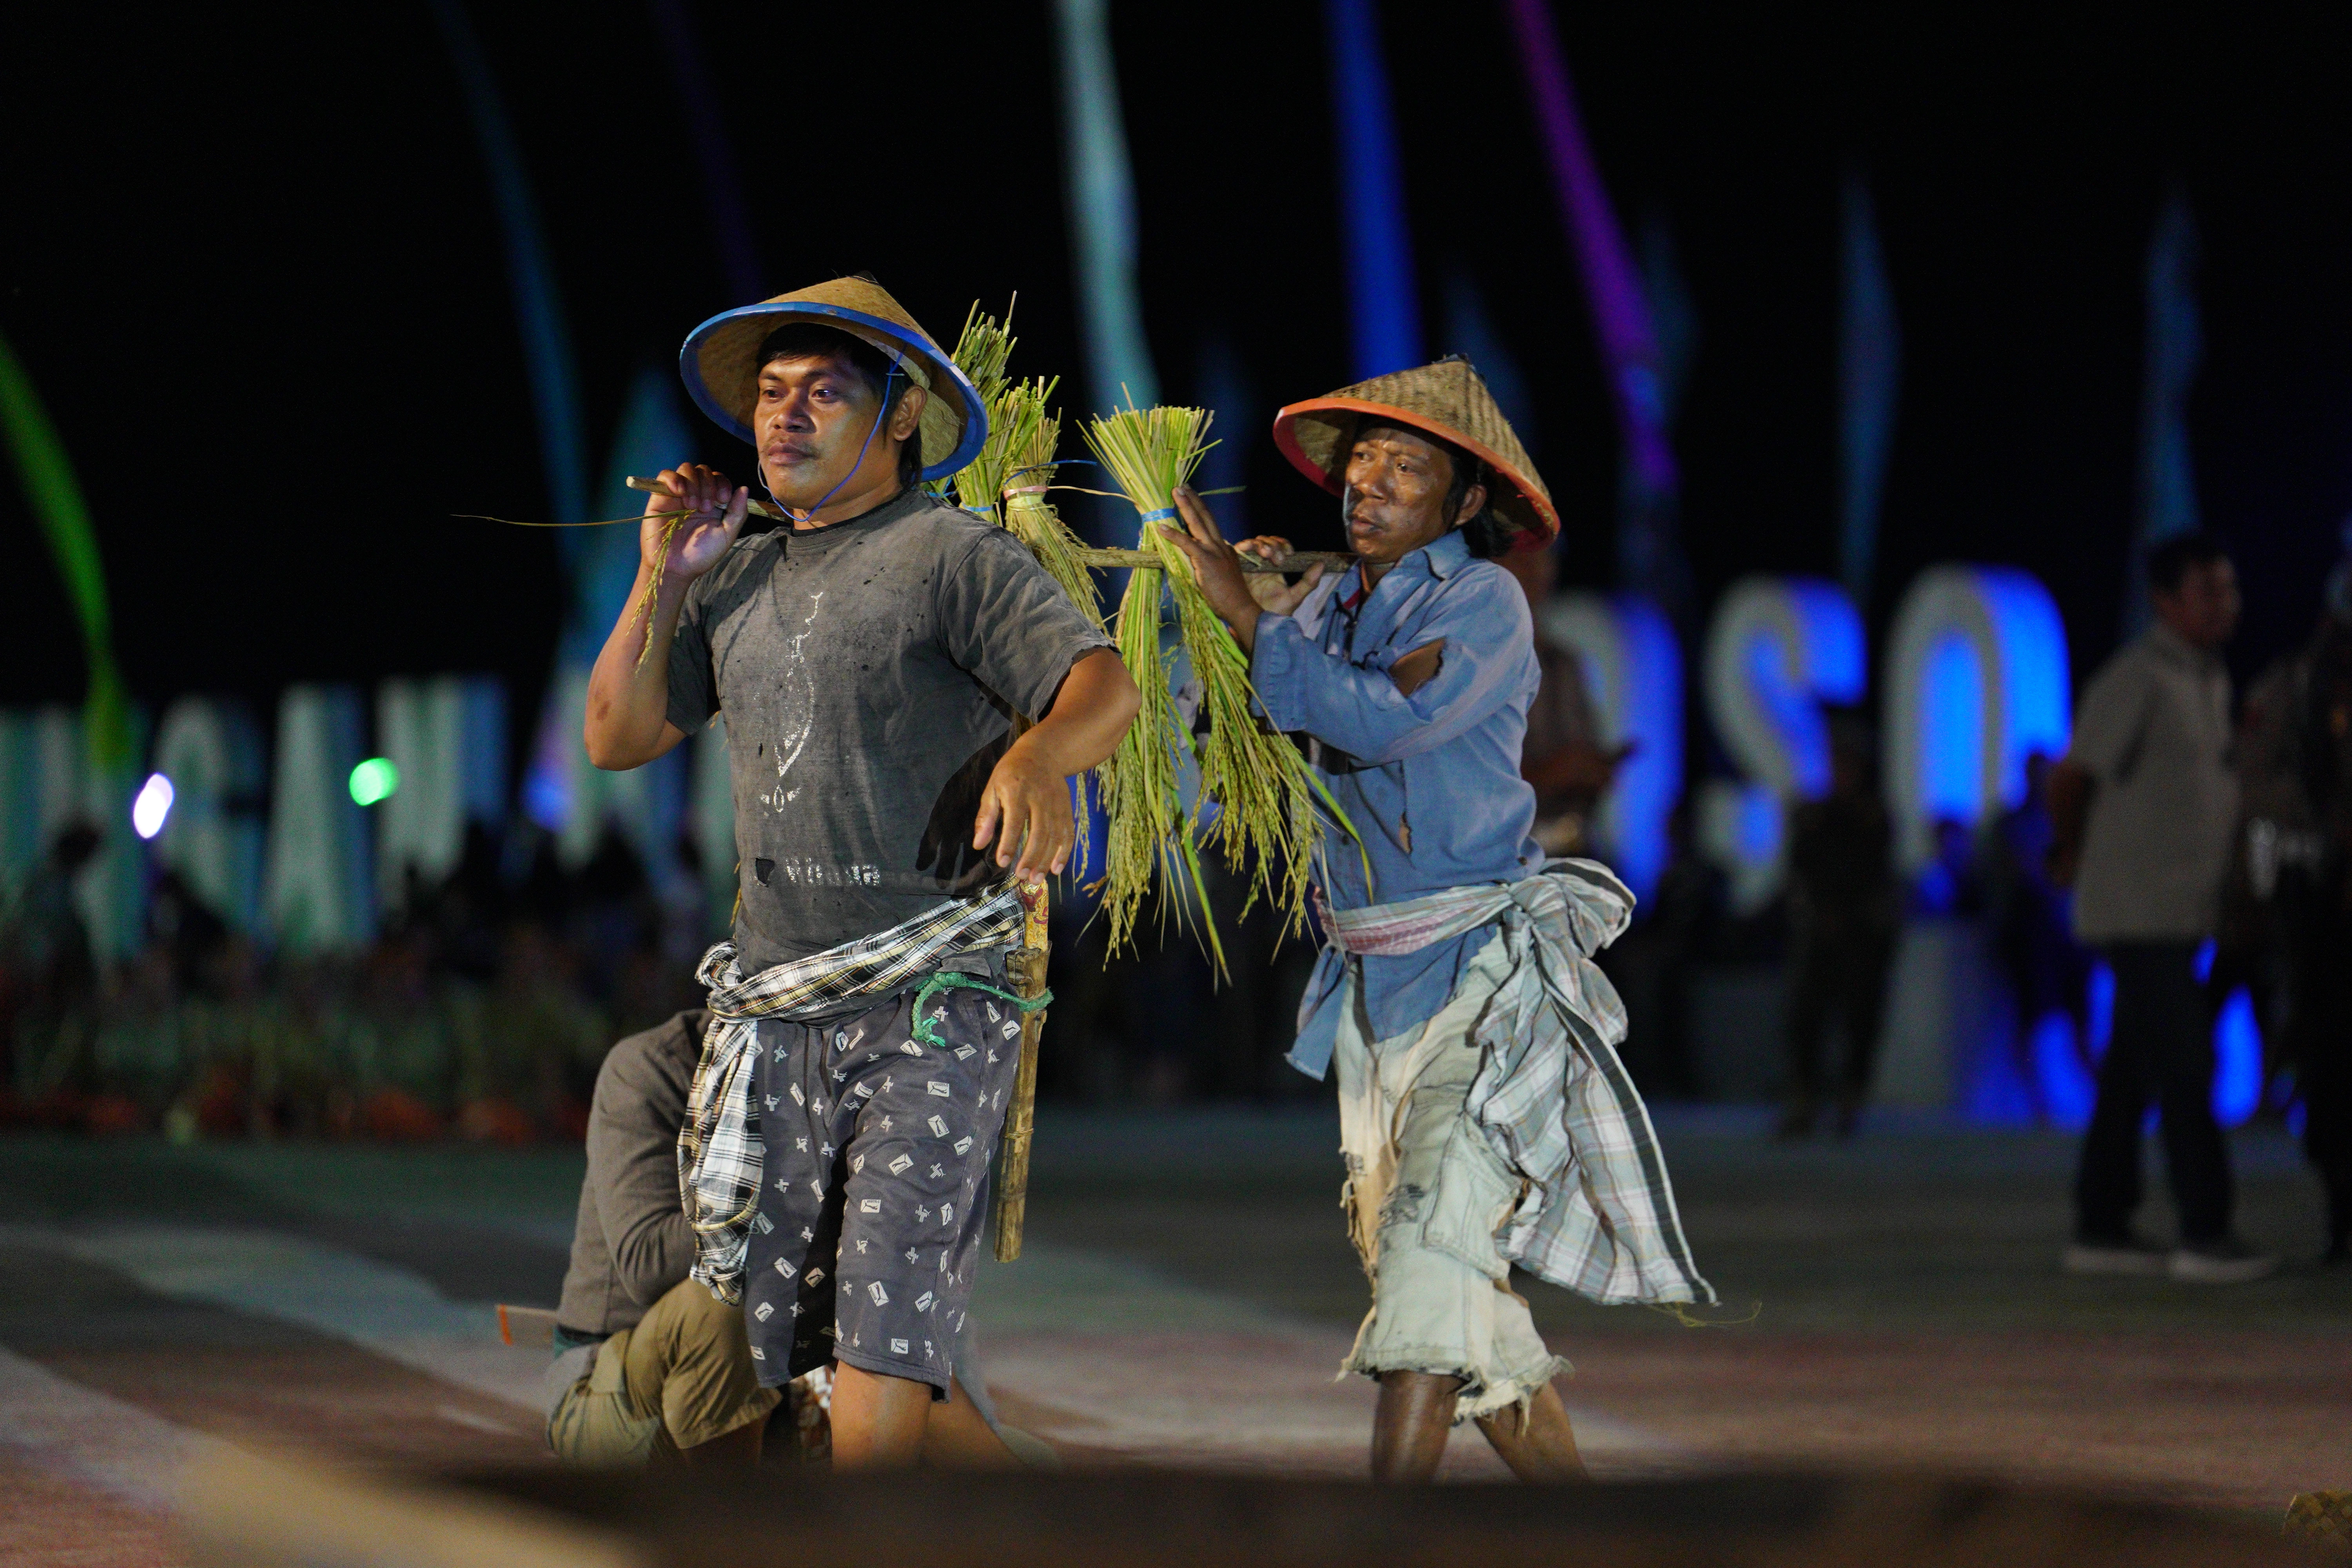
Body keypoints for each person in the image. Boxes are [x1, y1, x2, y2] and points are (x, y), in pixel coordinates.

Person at [583, 276, 1140, 1469]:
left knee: (886, 1318)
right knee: (816, 1357)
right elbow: (615, 736)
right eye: (770, 396)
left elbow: (1105, 686)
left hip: (935, 998)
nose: (782, 418)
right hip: (777, 1004)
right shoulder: (729, 579)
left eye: (822, 394)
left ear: (899, 416)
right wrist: (661, 574)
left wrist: (1040, 754)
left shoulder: (953, 556)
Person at [1157, 355, 1711, 1485]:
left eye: (1405, 467)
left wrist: (1255, 626)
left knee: (1424, 1276)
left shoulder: (1485, 602)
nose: (1368, 483)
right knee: (1460, 1303)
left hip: (1476, 988)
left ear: (1464, 505)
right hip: (1375, 996)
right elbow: (1245, 748)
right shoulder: (1326, 603)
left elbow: (1382, 718)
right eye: (1360, 461)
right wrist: (1231, 626)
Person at [545, 1009, 1029, 1467]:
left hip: (775, 1396)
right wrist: (801, 1183)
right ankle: (735, 1529)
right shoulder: (650, 1068)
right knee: (726, 1295)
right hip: (624, 1391)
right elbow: (647, 1264)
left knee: (896, 1282)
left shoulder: (859, 1070)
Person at [2049, 532, 2275, 1283]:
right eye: (2210, 590)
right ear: (2165, 601)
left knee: (2132, 1070)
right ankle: (2205, 1232)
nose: (2227, 605)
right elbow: (2071, 777)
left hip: (2181, 911)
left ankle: (2101, 1223)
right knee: (2186, 1065)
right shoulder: (2138, 677)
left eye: (2230, 589)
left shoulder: (2206, 679)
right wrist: (2070, 853)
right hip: (2138, 910)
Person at [2231, 546, 2352, 1262]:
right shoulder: (2292, 689)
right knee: (2328, 1051)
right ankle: (2341, 1193)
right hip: (2318, 903)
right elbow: (2258, 791)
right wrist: (2329, 839)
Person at [1777, 718, 1898, 1140]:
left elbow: (1876, 875)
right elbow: (1799, 870)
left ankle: (1849, 1100)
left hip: (1860, 937)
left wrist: (1855, 916)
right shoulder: (1813, 815)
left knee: (1859, 1021)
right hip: (1819, 935)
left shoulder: (1872, 817)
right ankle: (1805, 1100)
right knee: (1807, 1020)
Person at [1497, 543, 1628, 856]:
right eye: (1522, 560)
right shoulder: (1474, 663)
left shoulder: (1564, 662)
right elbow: (1460, 783)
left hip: (1569, 855)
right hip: (1503, 861)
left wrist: (1594, 770)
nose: (1536, 572)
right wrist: (1552, 774)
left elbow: (1583, 756)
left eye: (1545, 560)